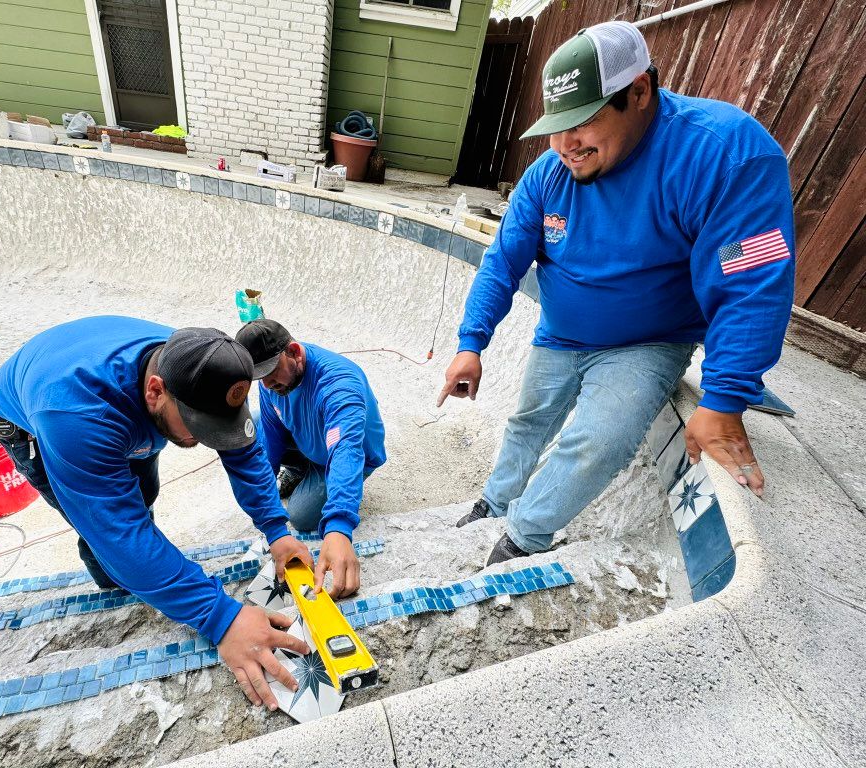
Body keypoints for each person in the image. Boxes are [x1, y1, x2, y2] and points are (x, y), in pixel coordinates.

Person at [437, 21, 795, 565]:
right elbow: (501, 263)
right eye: (556, 127)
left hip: (648, 342)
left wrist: (725, 395)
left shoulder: (721, 153)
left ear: (640, 92)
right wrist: (471, 342)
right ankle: (493, 503)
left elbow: (752, 281)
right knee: (529, 421)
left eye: (581, 123)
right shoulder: (546, 176)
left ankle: (521, 538)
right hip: (560, 335)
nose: (564, 146)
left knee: (598, 440)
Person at [0, 315, 315, 710]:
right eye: (199, 426)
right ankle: (116, 584)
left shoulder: (198, 365)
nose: (207, 439)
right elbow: (119, 533)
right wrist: (220, 617)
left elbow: (242, 453)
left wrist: (278, 531)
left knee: (144, 492)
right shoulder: (78, 420)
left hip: (111, 395)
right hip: (38, 417)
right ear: (155, 391)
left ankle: (153, 577)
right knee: (111, 543)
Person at [235, 319, 386, 598]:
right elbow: (271, 431)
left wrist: (339, 528)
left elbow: (346, 450)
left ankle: (327, 479)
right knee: (252, 426)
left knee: (301, 516)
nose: (266, 384)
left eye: (270, 373)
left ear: (294, 351)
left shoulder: (339, 385)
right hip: (311, 437)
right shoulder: (271, 382)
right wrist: (266, 500)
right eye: (259, 377)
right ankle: (299, 469)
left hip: (345, 453)